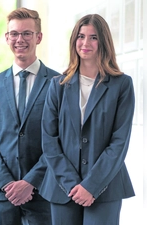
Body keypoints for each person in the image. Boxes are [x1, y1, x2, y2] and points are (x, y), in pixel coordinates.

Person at [39, 14, 135, 225]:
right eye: (81, 36)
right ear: (74, 41)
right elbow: (49, 140)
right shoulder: (58, 85)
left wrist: (91, 185)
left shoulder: (122, 85)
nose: (85, 43)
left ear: (104, 42)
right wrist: (73, 184)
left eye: (93, 37)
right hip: (63, 188)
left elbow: (119, 142)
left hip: (105, 187)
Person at [0, 7, 59, 225]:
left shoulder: (59, 83)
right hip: (3, 192)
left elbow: (61, 140)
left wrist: (30, 182)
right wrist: (7, 182)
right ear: (7, 38)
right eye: (14, 34)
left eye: (27, 33)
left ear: (39, 37)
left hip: (43, 190)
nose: (20, 39)